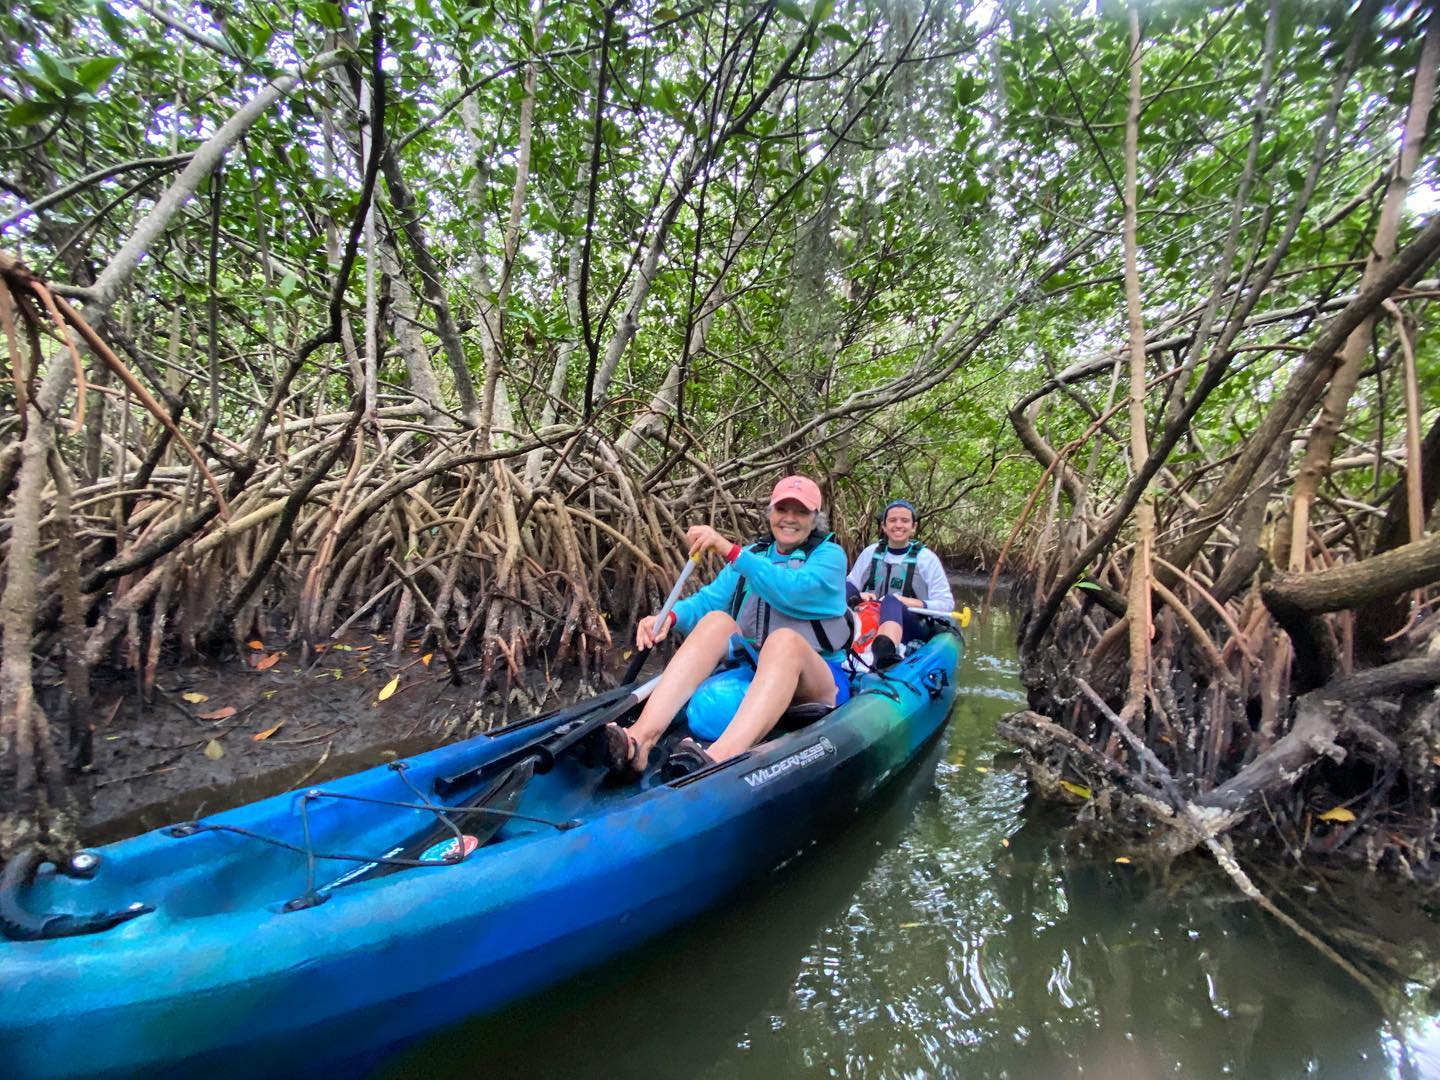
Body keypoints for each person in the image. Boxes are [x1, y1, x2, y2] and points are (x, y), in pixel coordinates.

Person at [605, 474, 851, 778]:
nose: (789, 518)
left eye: (800, 511)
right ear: (770, 513)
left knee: (783, 641)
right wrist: (668, 617)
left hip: (818, 681)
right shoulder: (754, 555)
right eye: (782, 509)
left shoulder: (830, 556)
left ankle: (720, 756)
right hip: (758, 671)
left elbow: (792, 590)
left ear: (815, 519)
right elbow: (709, 601)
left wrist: (730, 551)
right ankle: (639, 740)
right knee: (717, 621)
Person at [846, 499, 953, 668]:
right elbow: (850, 585)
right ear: (884, 525)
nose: (898, 525)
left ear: (913, 527)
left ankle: (884, 653)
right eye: (892, 520)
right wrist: (859, 595)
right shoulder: (870, 553)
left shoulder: (926, 559)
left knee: (890, 600)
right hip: (868, 620)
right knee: (845, 590)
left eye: (904, 521)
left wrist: (906, 601)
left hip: (912, 625)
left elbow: (946, 604)